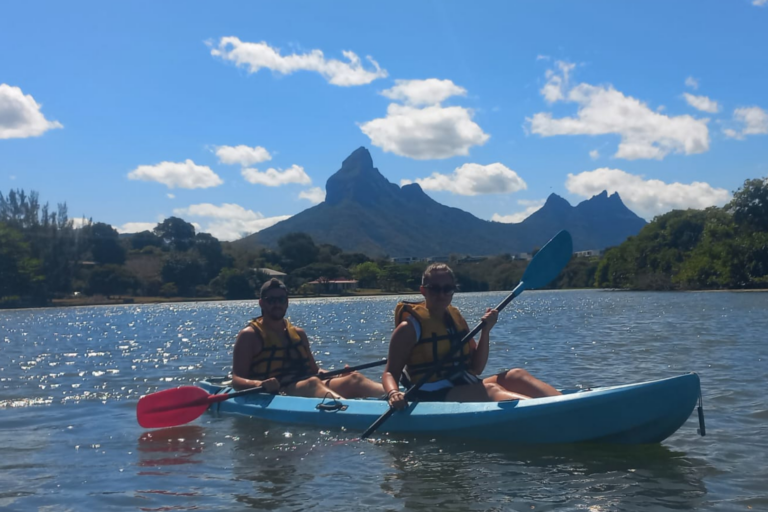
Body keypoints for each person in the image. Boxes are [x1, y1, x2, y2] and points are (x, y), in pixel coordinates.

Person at [382, 263, 561, 410]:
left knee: (516, 375)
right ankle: (549, 412)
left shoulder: (455, 318)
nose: (442, 294)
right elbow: (390, 372)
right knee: (491, 390)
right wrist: (393, 393)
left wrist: (486, 331)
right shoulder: (409, 328)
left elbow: (476, 368)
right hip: (429, 392)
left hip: (461, 383)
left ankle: (565, 404)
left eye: (448, 289)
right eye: (435, 289)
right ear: (423, 290)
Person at [232, 278, 385, 400]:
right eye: (271, 300)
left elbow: (315, 370)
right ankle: (349, 411)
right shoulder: (249, 335)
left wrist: (338, 375)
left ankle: (397, 397)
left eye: (281, 299)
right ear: (261, 303)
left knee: (355, 379)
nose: (277, 304)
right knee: (312, 383)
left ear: (287, 301)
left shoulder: (298, 333)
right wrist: (259, 384)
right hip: (282, 390)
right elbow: (236, 380)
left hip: (309, 384)